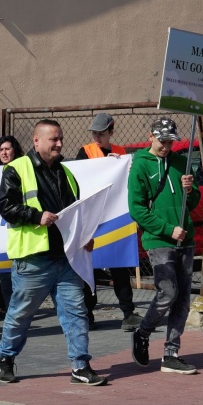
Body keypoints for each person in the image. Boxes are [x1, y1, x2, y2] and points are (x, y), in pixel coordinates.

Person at [0, 119, 106, 386]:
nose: (59, 143)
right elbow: (6, 206)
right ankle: (5, 359)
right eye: (53, 139)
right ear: (36, 141)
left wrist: (84, 237)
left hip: (66, 258)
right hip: (33, 260)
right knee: (21, 313)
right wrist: (35, 216)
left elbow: (75, 214)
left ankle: (81, 365)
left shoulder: (66, 173)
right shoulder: (16, 169)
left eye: (60, 138)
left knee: (75, 312)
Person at [128, 117, 200, 375]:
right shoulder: (140, 166)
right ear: (151, 137)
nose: (167, 146)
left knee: (182, 299)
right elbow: (136, 208)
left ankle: (171, 353)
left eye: (170, 142)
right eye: (162, 141)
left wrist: (190, 191)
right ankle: (143, 332)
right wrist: (168, 229)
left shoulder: (181, 162)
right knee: (168, 291)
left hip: (185, 239)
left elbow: (192, 203)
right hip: (159, 240)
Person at [75, 113, 141, 332]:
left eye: (101, 133)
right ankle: (87, 313)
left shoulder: (122, 154)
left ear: (111, 132)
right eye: (94, 133)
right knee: (90, 268)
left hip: (116, 219)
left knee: (120, 266)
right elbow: (79, 179)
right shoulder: (84, 152)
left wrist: (122, 167)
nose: (96, 137)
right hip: (92, 219)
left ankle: (128, 313)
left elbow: (129, 182)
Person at [0, 135, 25, 318]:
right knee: (5, 269)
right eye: (1, 150)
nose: (4, 153)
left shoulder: (22, 168)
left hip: (16, 228)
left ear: (15, 150)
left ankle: (9, 308)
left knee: (9, 270)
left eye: (7, 149)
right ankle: (5, 307)